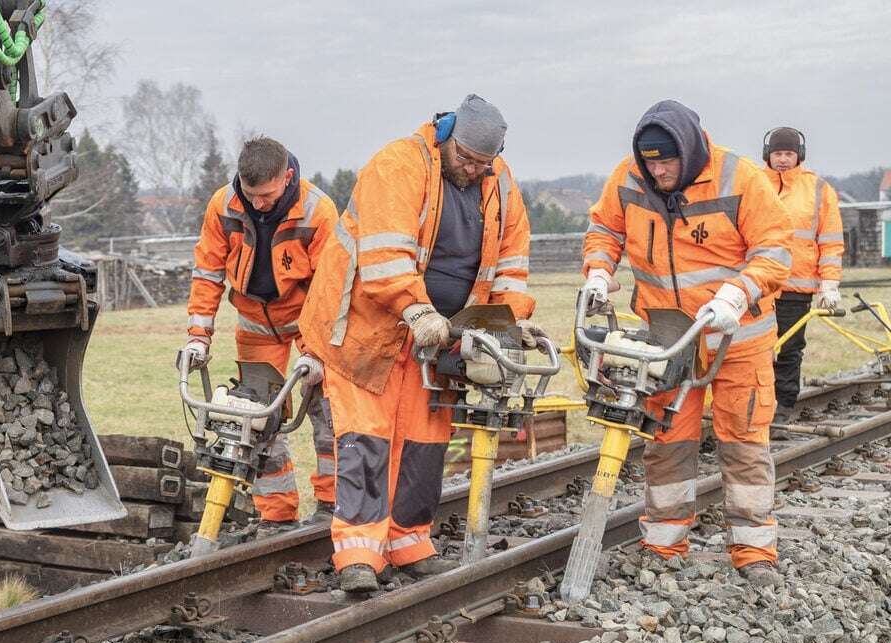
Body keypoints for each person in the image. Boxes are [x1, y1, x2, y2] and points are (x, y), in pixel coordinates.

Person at [299, 94, 542, 593]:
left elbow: (512, 263)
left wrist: (507, 322)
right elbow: (386, 256)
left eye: (483, 163)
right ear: (448, 138)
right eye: (466, 159)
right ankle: (359, 554)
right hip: (367, 331)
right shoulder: (400, 165)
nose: (473, 170)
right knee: (366, 442)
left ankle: (409, 542)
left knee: (425, 444)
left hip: (438, 340)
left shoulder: (500, 184)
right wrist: (416, 308)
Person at [581, 100, 792, 587]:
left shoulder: (739, 178)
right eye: (649, 162)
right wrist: (597, 268)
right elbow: (605, 228)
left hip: (736, 338)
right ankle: (664, 541)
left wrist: (738, 292)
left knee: (743, 442)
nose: (657, 172)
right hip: (669, 338)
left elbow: (775, 248)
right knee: (667, 442)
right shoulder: (629, 178)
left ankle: (753, 550)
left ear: (692, 151)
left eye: (666, 162)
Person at [182, 137, 338, 536]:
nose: (259, 204)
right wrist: (198, 336)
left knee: (327, 412)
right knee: (254, 416)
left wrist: (318, 352)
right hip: (255, 320)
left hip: (308, 320)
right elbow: (207, 272)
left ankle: (333, 505)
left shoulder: (318, 211)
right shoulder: (223, 205)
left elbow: (331, 289)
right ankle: (276, 515)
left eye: (267, 196)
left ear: (287, 178)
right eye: (251, 196)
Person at [762, 126, 844, 432]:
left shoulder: (819, 190)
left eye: (789, 153)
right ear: (767, 155)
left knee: (788, 350)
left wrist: (829, 283)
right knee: (752, 350)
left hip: (796, 287)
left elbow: (831, 242)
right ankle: (753, 408)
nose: (782, 159)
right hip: (758, 286)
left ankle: (781, 409)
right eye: (778, 153)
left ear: (800, 156)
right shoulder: (754, 184)